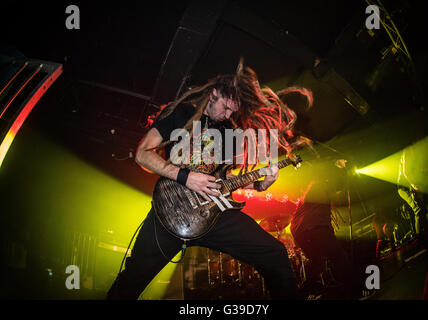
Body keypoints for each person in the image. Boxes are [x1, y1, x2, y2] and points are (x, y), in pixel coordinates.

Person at [106, 59, 313, 300]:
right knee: (132, 280)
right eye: (226, 107)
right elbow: (143, 153)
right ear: (214, 93)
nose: (228, 114)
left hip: (215, 214)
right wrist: (187, 177)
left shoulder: (227, 130)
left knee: (274, 252)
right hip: (172, 211)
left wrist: (259, 183)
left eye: (232, 112)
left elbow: (226, 175)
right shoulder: (181, 114)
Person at [290, 165, 351, 299]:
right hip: (314, 228)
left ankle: (302, 294)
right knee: (339, 255)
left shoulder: (313, 190)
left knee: (316, 262)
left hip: (301, 231)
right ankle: (351, 291)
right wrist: (345, 172)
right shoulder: (319, 186)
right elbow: (338, 193)